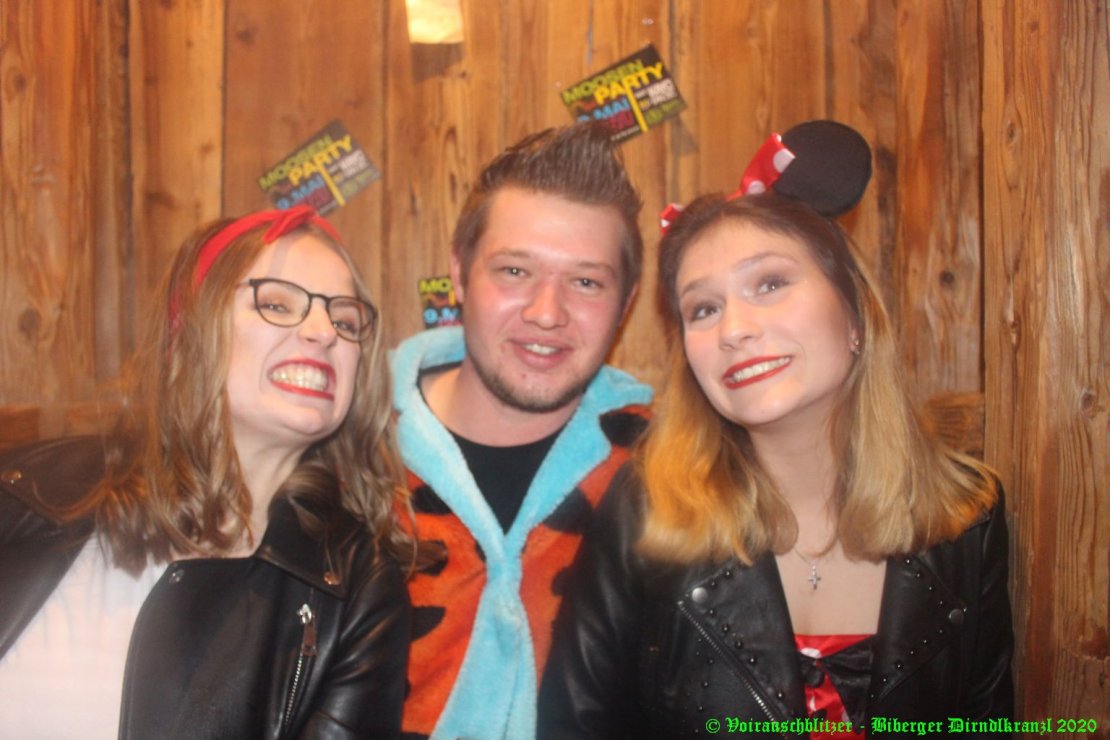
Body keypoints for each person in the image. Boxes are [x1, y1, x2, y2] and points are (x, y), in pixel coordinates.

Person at [539, 122, 1014, 738]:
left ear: (855, 316)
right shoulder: (643, 512)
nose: (734, 329)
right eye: (703, 308)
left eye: (770, 283)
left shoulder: (968, 516)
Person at [0, 206, 411, 738]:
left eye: (345, 321)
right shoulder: (25, 487)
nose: (322, 332)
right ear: (190, 331)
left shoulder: (357, 589)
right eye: (276, 303)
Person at [393, 123, 653, 739]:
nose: (546, 312)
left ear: (626, 303)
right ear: (459, 275)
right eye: (514, 271)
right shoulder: (348, 452)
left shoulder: (671, 471)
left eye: (586, 282)